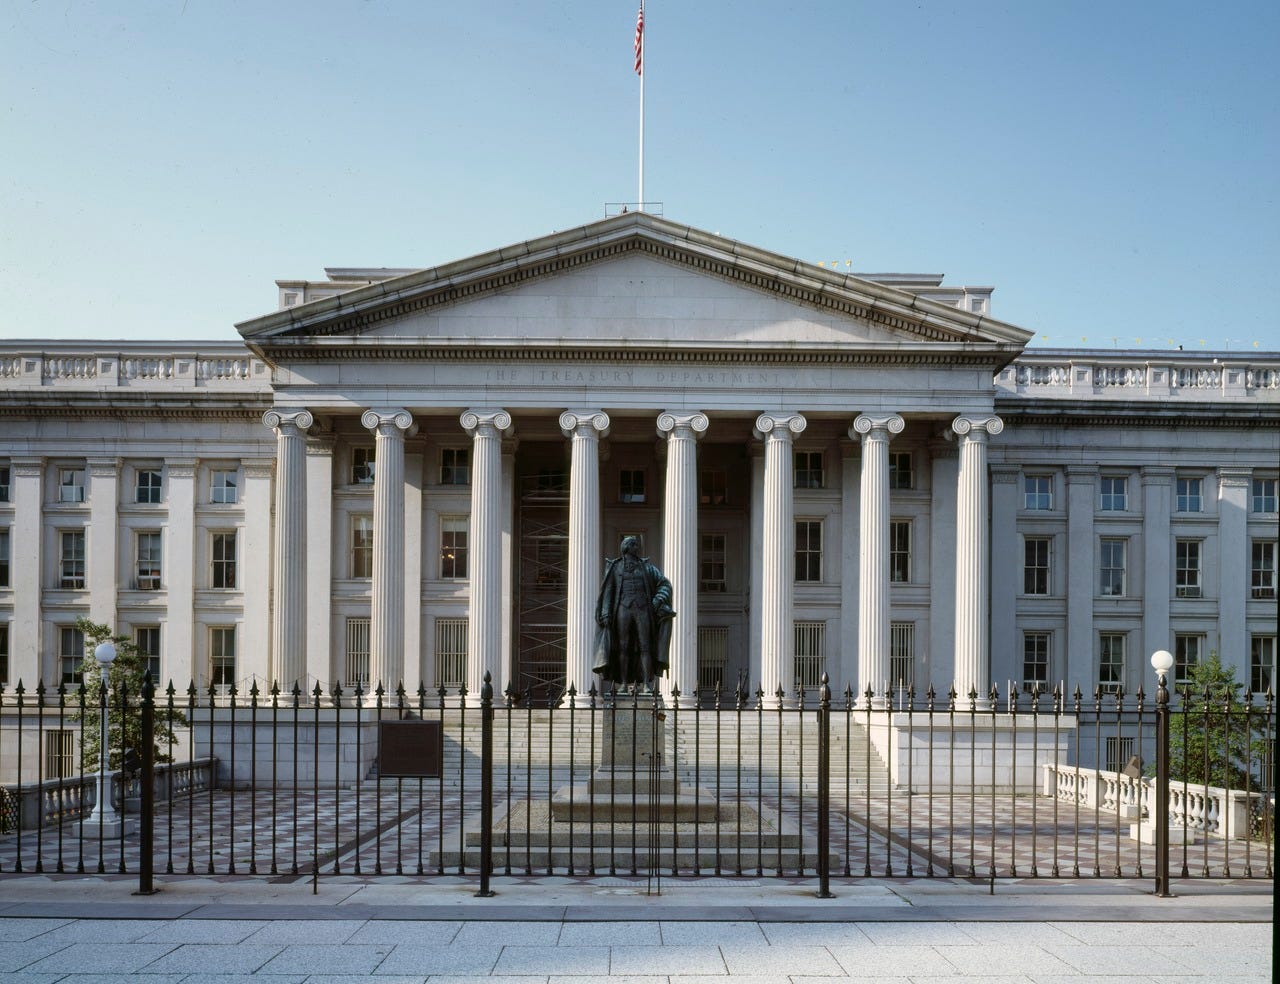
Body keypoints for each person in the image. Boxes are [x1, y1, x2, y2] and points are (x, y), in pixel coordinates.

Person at [593, 536, 674, 691]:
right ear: (627, 547)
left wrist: (658, 600)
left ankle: (645, 684)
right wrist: (605, 612)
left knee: (645, 646)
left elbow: (664, 584)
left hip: (643, 609)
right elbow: (608, 591)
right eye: (634, 545)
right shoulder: (615, 567)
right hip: (622, 609)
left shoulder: (647, 567)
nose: (637, 547)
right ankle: (623, 683)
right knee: (623, 647)